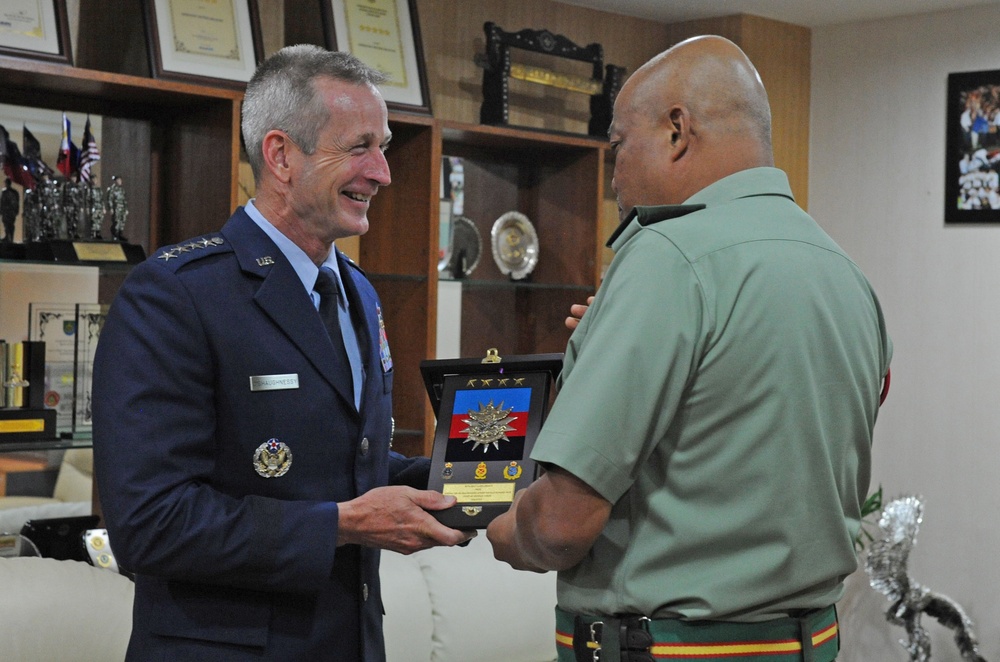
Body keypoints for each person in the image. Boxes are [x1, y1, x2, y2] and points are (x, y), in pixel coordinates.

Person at [487, 35, 892, 662]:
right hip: (808, 641)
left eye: (619, 146)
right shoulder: (843, 272)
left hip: (674, 647)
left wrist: (511, 530)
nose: (612, 176)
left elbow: (563, 527)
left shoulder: (667, 256)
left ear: (678, 131)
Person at [93, 44, 473, 661]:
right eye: (360, 148)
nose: (383, 172)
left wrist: (484, 480)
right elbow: (150, 524)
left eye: (383, 146)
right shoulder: (177, 293)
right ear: (280, 155)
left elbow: (351, 466)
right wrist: (344, 524)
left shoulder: (358, 291)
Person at [0, 178, 18, 243]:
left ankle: (10, 237)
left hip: (10, 211)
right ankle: (7, 236)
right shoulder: (5, 192)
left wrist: (15, 210)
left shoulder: (12, 192)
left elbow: (16, 202)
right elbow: (2, 202)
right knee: (6, 225)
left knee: (10, 225)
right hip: (7, 211)